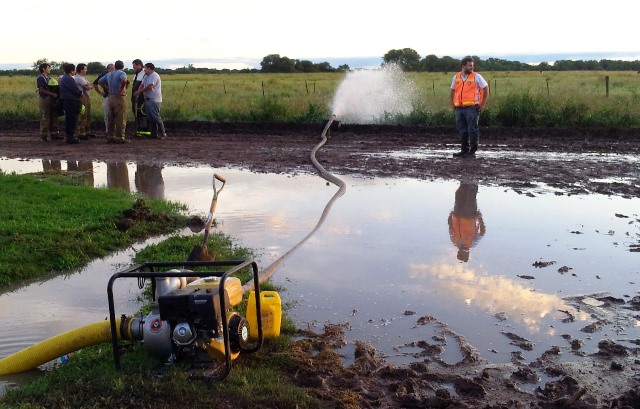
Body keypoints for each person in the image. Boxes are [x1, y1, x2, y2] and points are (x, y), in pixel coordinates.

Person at [450, 56, 489, 158]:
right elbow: (452, 90)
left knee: (472, 130)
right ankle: (464, 150)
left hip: (472, 108)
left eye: (472, 65)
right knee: (462, 130)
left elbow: (486, 88)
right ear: (463, 66)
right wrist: (452, 103)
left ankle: (472, 151)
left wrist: (482, 104)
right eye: (470, 65)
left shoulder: (477, 76)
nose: (472, 67)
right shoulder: (456, 77)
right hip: (459, 108)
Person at [447, 181, 485, 262]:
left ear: (458, 252)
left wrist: (450, 215)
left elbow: (450, 227)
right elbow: (482, 232)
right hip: (470, 215)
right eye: (466, 254)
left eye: (462, 254)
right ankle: (474, 180)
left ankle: (464, 180)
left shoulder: (454, 241)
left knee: (459, 194)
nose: (465, 253)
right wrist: (480, 218)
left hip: (457, 213)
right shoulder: (472, 243)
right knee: (471, 194)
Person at [133, 63, 166, 140]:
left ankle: (163, 133)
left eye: (145, 68)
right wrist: (138, 92)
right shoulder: (146, 76)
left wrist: (139, 92)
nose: (144, 70)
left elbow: (150, 87)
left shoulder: (154, 75)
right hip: (147, 99)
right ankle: (154, 134)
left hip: (154, 100)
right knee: (151, 118)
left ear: (149, 68)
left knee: (155, 117)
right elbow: (142, 84)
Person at [99, 60, 129, 143]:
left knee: (111, 117)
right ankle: (119, 137)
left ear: (115, 66)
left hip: (110, 96)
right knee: (120, 117)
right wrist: (121, 89)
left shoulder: (109, 74)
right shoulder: (122, 73)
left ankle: (110, 136)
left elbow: (100, 81)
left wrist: (107, 89)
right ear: (123, 67)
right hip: (119, 97)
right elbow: (124, 80)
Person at [36, 63, 61, 141]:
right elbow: (42, 90)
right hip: (44, 99)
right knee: (45, 117)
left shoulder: (49, 78)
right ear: (43, 69)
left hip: (51, 100)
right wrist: (53, 94)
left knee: (54, 117)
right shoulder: (41, 78)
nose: (50, 69)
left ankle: (54, 134)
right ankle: (44, 136)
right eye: (48, 68)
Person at [59, 63, 83, 144]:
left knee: (69, 119)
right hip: (70, 102)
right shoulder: (68, 79)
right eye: (74, 70)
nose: (75, 71)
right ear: (71, 71)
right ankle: (70, 137)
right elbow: (75, 90)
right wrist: (80, 93)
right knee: (71, 120)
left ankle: (70, 136)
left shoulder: (65, 77)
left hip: (68, 101)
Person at [74, 63, 94, 139]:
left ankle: (87, 131)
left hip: (86, 96)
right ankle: (81, 133)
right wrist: (90, 86)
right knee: (83, 115)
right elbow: (87, 87)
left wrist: (89, 86)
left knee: (88, 114)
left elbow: (89, 85)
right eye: (85, 69)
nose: (86, 70)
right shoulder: (79, 78)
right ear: (81, 70)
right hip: (82, 97)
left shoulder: (83, 78)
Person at [93, 63, 115, 133]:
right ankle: (107, 130)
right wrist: (100, 93)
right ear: (108, 69)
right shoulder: (103, 76)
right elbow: (95, 84)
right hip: (107, 96)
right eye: (112, 68)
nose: (113, 69)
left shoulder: (117, 75)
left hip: (116, 97)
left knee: (116, 113)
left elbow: (127, 83)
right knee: (107, 113)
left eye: (114, 68)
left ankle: (115, 129)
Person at [130, 59, 149, 136]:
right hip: (135, 98)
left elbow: (144, 86)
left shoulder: (144, 74)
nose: (133, 67)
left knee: (142, 114)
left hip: (141, 98)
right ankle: (138, 130)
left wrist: (139, 94)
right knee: (136, 113)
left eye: (134, 65)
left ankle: (144, 131)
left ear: (139, 65)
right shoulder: (136, 74)